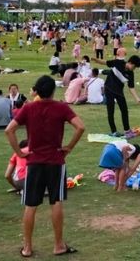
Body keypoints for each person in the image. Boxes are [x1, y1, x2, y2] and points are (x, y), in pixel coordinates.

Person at [5, 75, 86, 258]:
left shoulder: (28, 108)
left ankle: (27, 247)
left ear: (36, 91)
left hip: (34, 161)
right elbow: (80, 127)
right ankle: (58, 245)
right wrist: (69, 148)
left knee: (30, 205)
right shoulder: (61, 107)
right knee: (56, 201)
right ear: (52, 90)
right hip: (55, 161)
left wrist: (19, 152)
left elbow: (9, 130)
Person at [93, 55, 140, 137]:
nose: (134, 69)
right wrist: (96, 60)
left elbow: (131, 87)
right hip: (108, 89)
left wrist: (137, 98)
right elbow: (106, 62)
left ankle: (127, 131)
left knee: (124, 110)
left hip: (119, 92)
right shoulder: (118, 62)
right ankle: (114, 132)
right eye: (134, 67)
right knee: (111, 111)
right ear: (130, 62)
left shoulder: (130, 74)